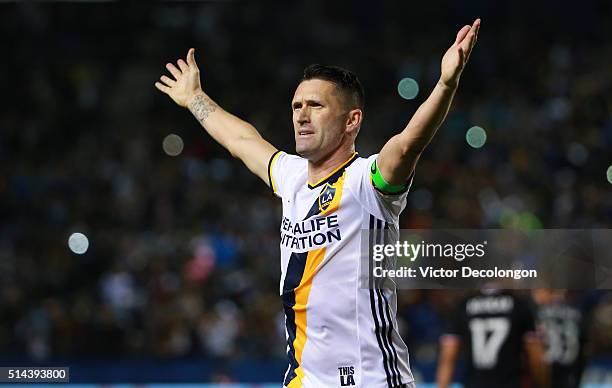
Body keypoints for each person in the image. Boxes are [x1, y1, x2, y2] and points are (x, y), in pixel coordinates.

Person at [155, 18, 480, 388]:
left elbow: (407, 145)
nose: (301, 115)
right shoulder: (291, 176)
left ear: (351, 120)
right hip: (304, 380)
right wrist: (194, 97)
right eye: (296, 106)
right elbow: (241, 140)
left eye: (316, 106)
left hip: (371, 379)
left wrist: (445, 84)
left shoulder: (367, 182)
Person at [436, 289, 548, 388]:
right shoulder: (519, 304)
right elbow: (536, 357)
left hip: (474, 383)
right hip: (509, 383)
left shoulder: (463, 305)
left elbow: (447, 358)